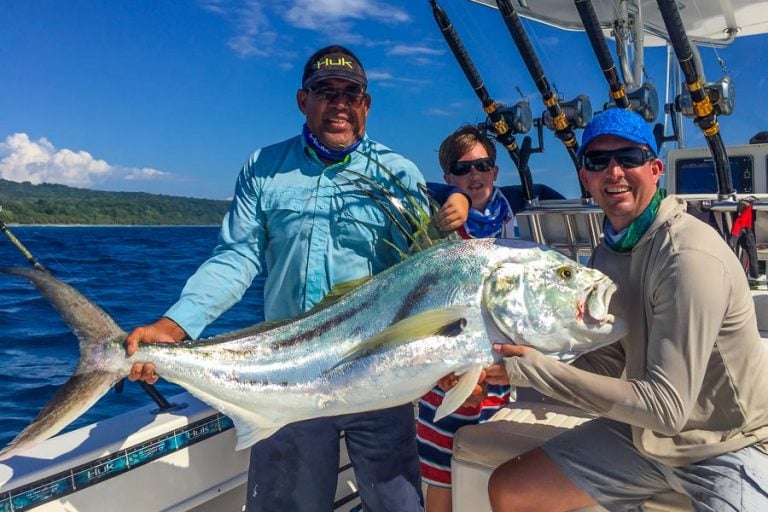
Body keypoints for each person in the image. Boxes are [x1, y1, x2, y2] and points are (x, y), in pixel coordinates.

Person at [124, 45, 468, 512]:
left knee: (399, 505)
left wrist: (449, 352)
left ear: (366, 105)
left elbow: (427, 275)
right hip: (286, 376)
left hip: (381, 372)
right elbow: (236, 257)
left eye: (351, 93)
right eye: (326, 92)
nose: (339, 104)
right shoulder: (263, 169)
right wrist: (175, 326)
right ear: (302, 100)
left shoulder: (398, 174)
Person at [487, 107, 768, 511]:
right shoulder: (605, 254)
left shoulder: (687, 255)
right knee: (510, 491)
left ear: (655, 169)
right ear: (585, 178)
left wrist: (532, 370)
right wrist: (501, 365)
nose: (614, 172)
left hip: (729, 444)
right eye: (598, 161)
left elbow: (666, 408)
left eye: (629, 158)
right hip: (645, 437)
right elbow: (603, 364)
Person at [417, 125, 562, 512]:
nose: (474, 176)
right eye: (462, 170)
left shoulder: (514, 207)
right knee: (440, 467)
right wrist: (453, 198)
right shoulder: (440, 218)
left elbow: (562, 197)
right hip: (447, 365)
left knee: (487, 467)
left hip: (497, 369)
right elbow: (415, 185)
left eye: (483, 165)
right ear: (448, 178)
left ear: (496, 172)